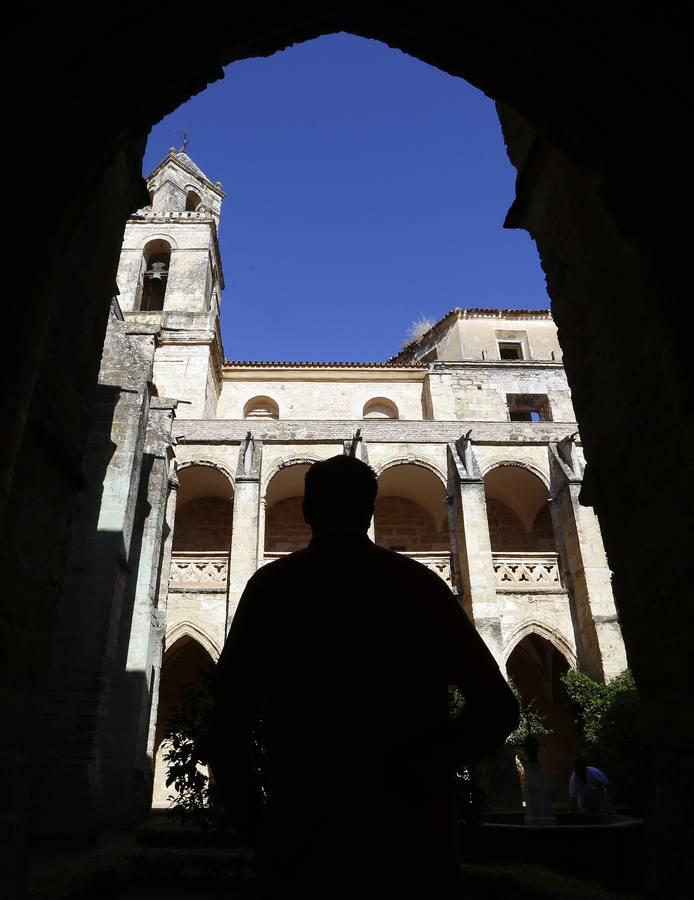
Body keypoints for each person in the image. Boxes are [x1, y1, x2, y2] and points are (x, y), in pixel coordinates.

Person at [208, 455, 519, 898]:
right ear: (370, 509)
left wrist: (259, 830)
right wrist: (423, 763)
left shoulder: (273, 588)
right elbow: (497, 708)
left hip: (306, 832)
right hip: (410, 838)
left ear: (306, 510)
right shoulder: (419, 586)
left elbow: (226, 728)